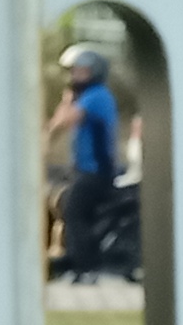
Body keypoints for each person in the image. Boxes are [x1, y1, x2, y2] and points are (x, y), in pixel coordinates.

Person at [47, 40, 135, 280]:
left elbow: (64, 121)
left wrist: (67, 101)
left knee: (74, 210)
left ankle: (85, 267)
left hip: (97, 172)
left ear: (95, 72)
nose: (74, 77)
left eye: (80, 71)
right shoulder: (87, 96)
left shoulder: (97, 96)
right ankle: (69, 260)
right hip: (83, 170)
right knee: (62, 201)